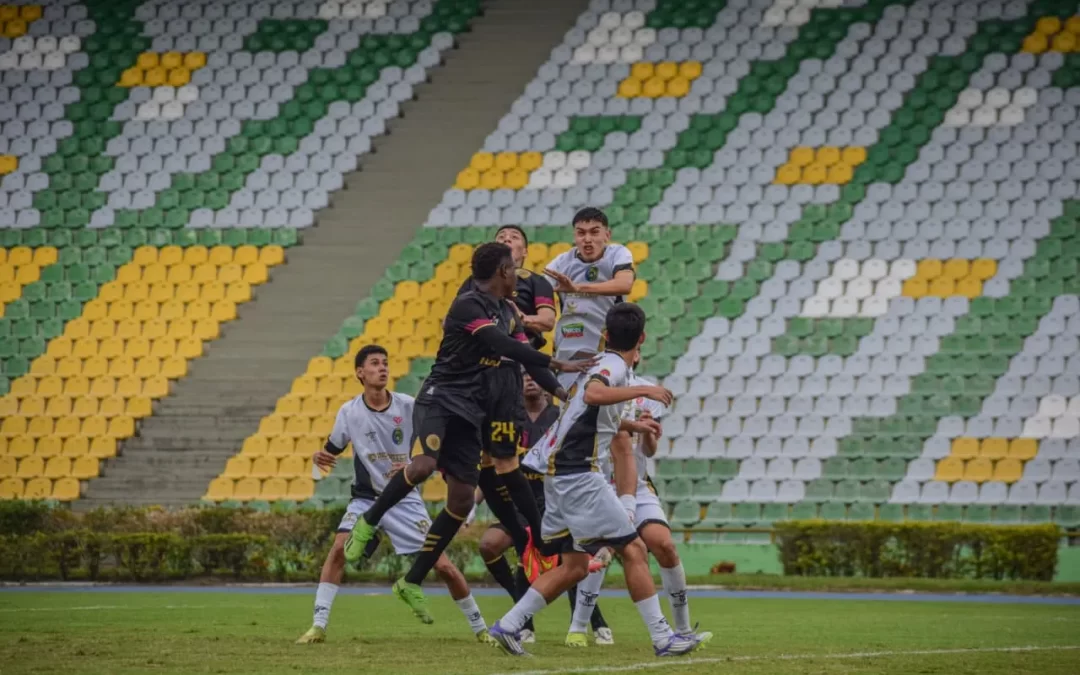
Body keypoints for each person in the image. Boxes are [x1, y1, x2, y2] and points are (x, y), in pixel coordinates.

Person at [342, 243, 592, 623]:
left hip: (470, 411)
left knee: (460, 502)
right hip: (440, 399)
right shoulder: (468, 304)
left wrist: (562, 392)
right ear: (504, 271)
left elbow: (521, 352)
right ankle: (370, 519)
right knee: (423, 465)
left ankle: (411, 582)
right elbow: (500, 344)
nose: (518, 278)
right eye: (514, 271)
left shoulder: (508, 311)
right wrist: (555, 360)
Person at [489, 304, 705, 658]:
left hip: (558, 474)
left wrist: (632, 425)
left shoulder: (607, 363)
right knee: (634, 549)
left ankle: (510, 625)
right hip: (577, 474)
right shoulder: (614, 367)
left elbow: (587, 412)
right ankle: (664, 637)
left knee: (574, 567)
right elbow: (593, 394)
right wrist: (644, 392)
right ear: (642, 339)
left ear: (605, 334)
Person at [296, 345, 491, 644]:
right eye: (374, 363)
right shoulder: (348, 412)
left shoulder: (409, 405)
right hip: (366, 498)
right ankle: (318, 626)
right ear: (360, 372)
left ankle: (481, 629)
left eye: (385, 363)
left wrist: (416, 461)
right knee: (338, 549)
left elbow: (436, 442)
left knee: (443, 566)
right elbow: (332, 449)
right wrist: (319, 456)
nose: (382, 368)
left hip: (405, 499)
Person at [565, 359, 705, 647]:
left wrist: (648, 433)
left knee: (664, 544)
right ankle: (578, 627)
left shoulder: (648, 391)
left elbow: (649, 451)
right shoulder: (598, 386)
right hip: (599, 483)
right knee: (601, 553)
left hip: (638, 486)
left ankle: (684, 630)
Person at [478, 373, 613, 645]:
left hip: (554, 501)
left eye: (534, 376)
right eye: (524, 376)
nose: (529, 380)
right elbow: (495, 464)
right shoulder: (509, 417)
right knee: (490, 545)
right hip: (518, 503)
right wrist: (471, 503)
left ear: (546, 383)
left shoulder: (559, 416)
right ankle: (521, 616)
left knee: (568, 562)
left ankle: (593, 621)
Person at [457, 225, 558, 579]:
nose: (507, 240)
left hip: (517, 372)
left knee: (507, 455)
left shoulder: (535, 281)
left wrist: (514, 317)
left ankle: (536, 534)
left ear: (525, 252)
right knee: (489, 455)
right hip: (480, 377)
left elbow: (547, 321)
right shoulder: (474, 286)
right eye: (501, 237)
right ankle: (524, 533)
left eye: (514, 238)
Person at [544, 207, 636, 388]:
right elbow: (537, 291)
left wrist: (577, 288)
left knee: (605, 413)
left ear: (607, 235)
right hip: (569, 360)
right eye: (581, 233)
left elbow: (625, 284)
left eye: (594, 232)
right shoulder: (562, 262)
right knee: (569, 415)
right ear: (574, 237)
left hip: (607, 357)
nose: (587, 239)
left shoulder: (617, 253)